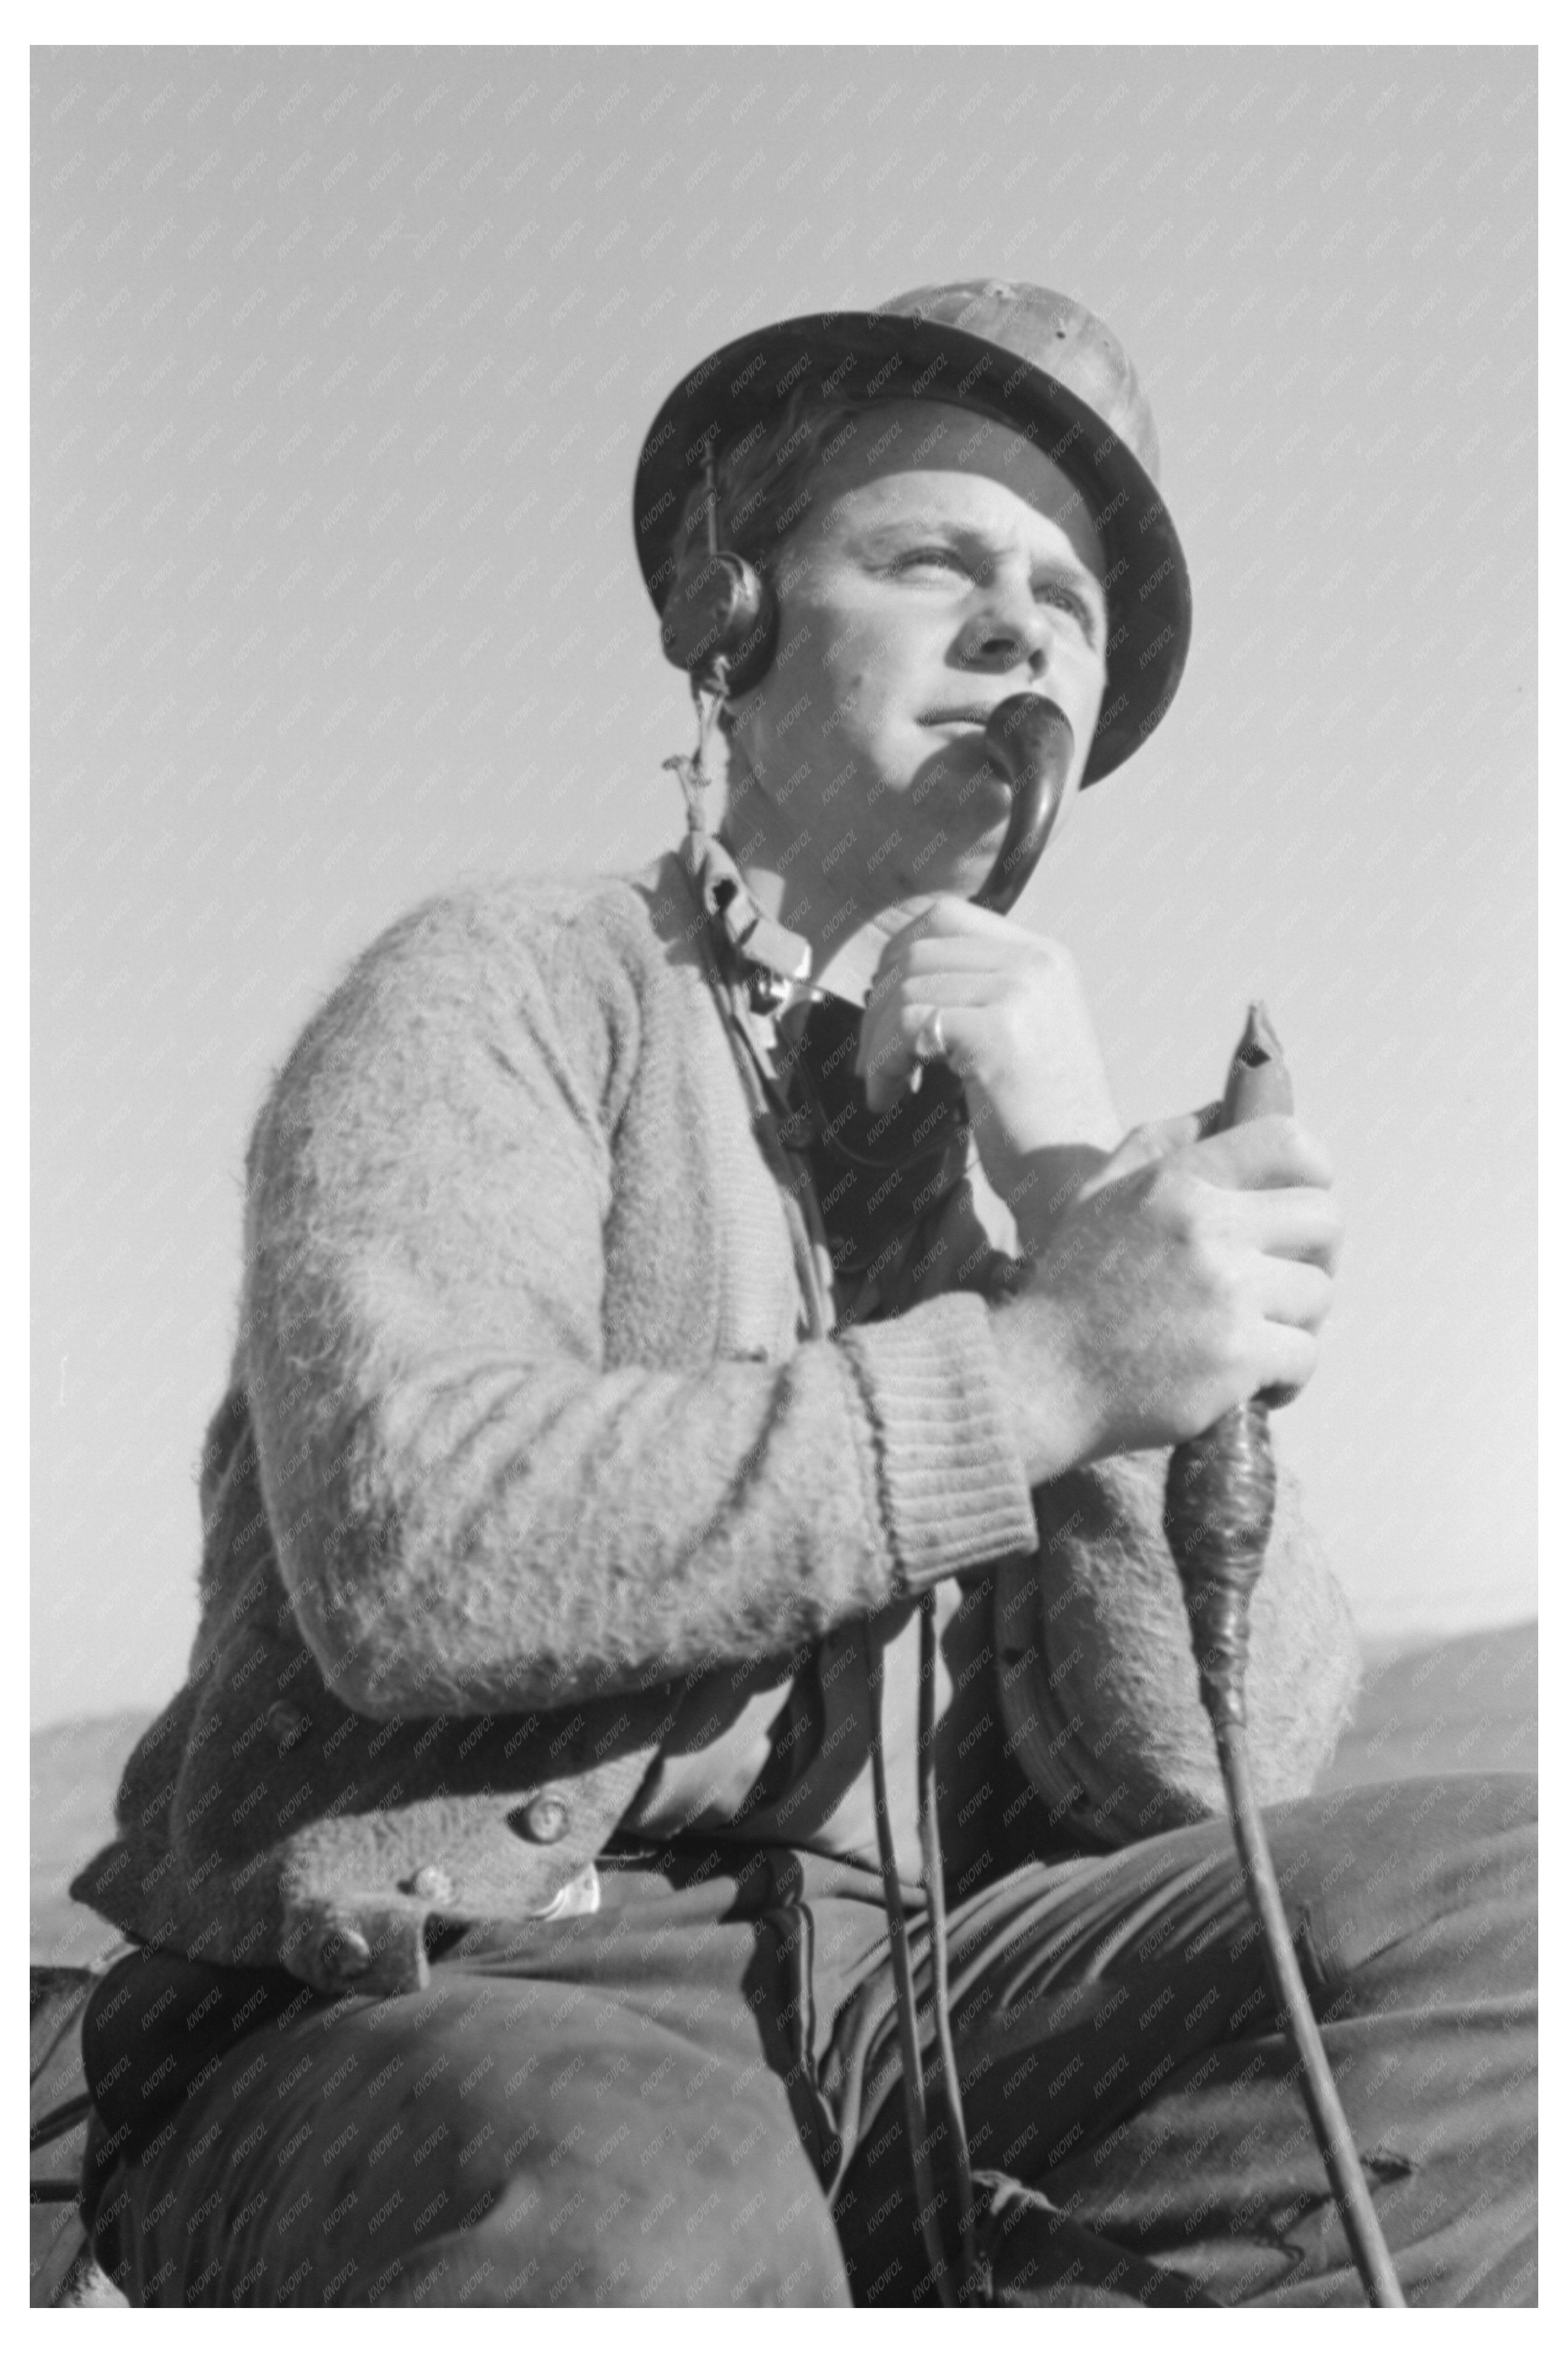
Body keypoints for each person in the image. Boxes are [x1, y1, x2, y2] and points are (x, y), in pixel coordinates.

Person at [71, 280, 1535, 2309]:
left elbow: (1221, 1779)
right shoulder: (497, 988)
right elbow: (411, 1544)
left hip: (917, 1997)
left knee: (1515, 1912)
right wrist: (1032, 1374)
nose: (1024, 629)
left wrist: (1066, 1194)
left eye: (1070, 602)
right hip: (438, 1992)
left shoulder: (1025, 1162)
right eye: (935, 558)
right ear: (729, 620)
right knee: (664, 2215)